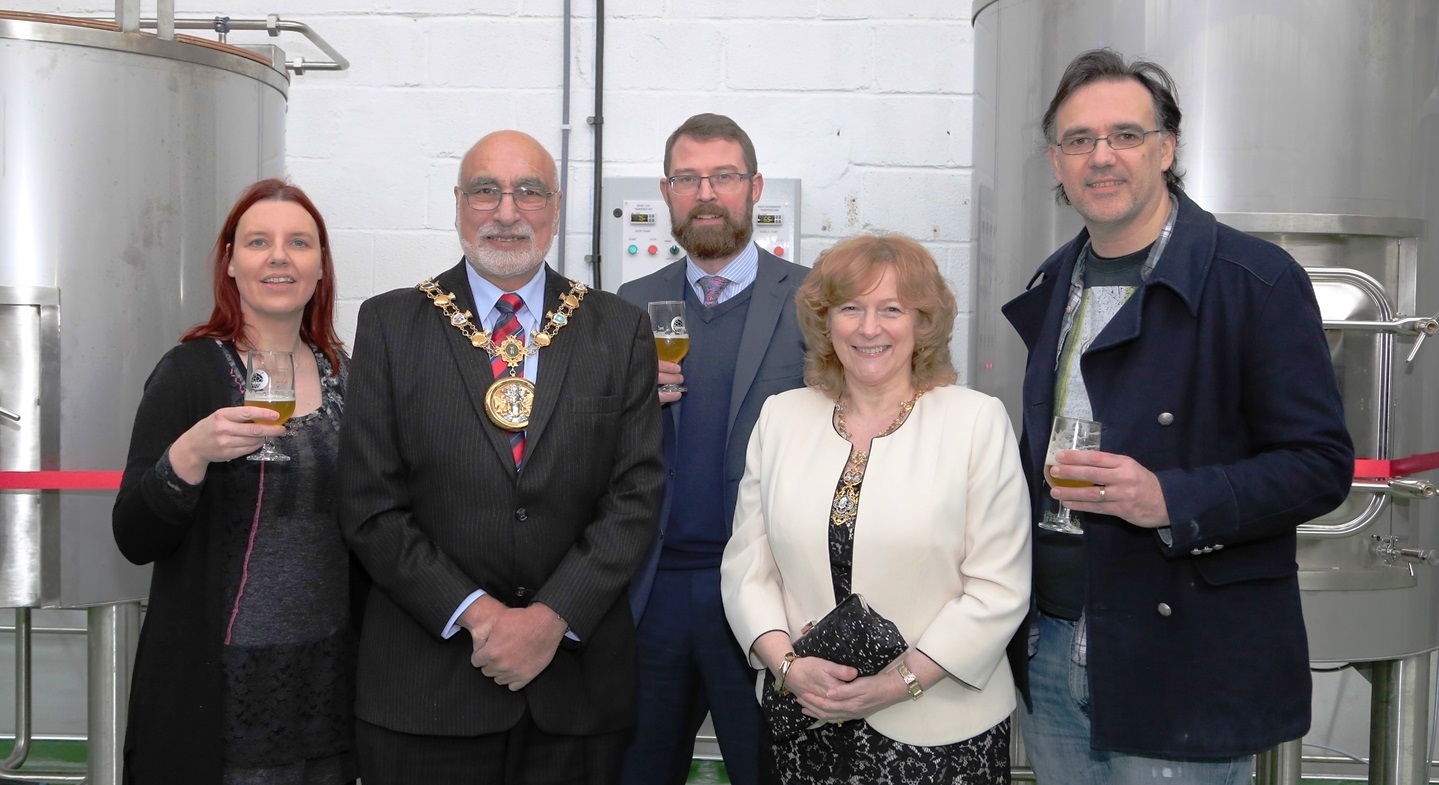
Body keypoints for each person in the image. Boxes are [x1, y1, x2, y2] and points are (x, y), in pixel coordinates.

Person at [1002, 48, 1354, 784]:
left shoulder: (1253, 281)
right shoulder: (1051, 281)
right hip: (1052, 645)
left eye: (1124, 135)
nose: (1101, 157)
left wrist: (1168, 498)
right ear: (1055, 163)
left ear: (1164, 149)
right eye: (1078, 140)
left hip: (1184, 660)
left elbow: (1320, 465)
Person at [337, 130, 665, 784]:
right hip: (425, 692)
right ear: (459, 203)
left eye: (528, 191)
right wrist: (483, 617)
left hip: (575, 695)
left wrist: (549, 619)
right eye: (486, 190)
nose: (507, 211)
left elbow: (635, 497)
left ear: (555, 206)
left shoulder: (616, 328)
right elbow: (369, 505)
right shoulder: (391, 324)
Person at [720, 233, 1032, 785]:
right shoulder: (781, 417)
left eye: (891, 309)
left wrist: (894, 684)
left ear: (923, 323)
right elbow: (747, 568)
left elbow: (998, 588)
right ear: (825, 322)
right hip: (806, 722)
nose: (869, 328)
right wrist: (788, 668)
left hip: (940, 728)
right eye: (850, 309)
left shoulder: (976, 421)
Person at [113, 179, 356, 784]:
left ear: (320, 267)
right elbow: (134, 536)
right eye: (258, 242)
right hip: (222, 688)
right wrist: (190, 454)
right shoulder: (190, 373)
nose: (279, 256)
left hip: (329, 682)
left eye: (299, 242)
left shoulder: (348, 376)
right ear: (230, 262)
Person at [617, 112, 809, 785]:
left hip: (768, 592)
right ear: (666, 192)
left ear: (754, 187)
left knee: (771, 771)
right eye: (688, 178)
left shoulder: (815, 300)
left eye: (722, 176)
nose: (706, 192)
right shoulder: (626, 306)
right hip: (653, 595)